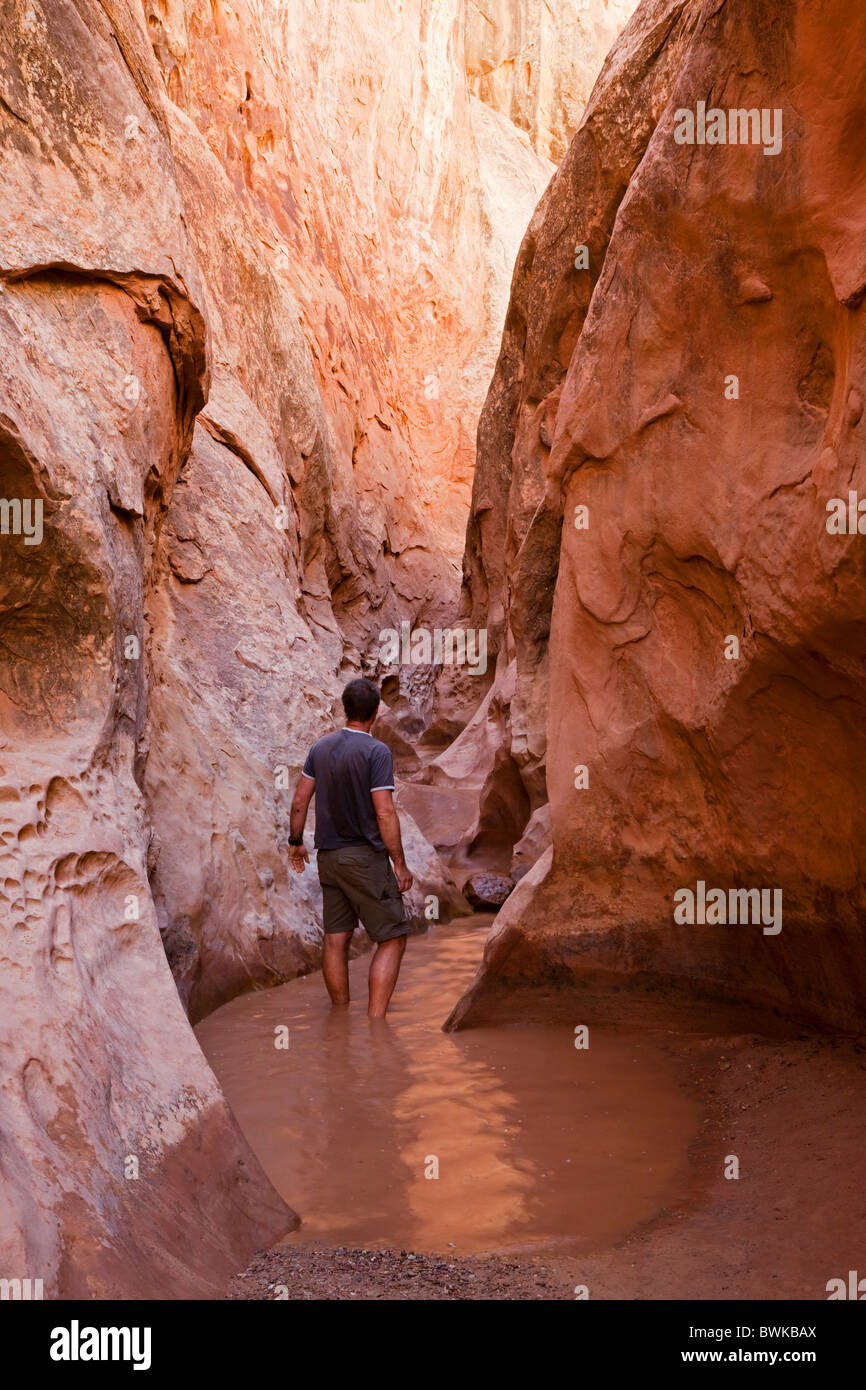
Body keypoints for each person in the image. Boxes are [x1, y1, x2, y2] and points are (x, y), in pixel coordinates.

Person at [288, 677, 413, 1017]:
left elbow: (300, 800)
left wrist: (296, 843)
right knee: (392, 938)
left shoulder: (320, 748)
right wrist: (399, 863)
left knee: (336, 939)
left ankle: (340, 1020)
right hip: (365, 859)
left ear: (346, 710)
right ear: (375, 713)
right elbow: (384, 810)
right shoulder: (376, 751)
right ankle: (376, 1025)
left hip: (328, 858)